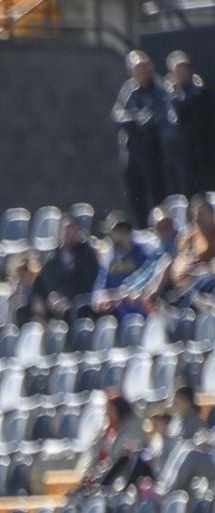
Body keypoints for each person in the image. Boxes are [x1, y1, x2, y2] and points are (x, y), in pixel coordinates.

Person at [115, 52, 168, 225]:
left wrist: (135, 119)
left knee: (157, 195)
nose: (141, 73)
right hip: (132, 152)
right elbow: (118, 116)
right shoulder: (129, 90)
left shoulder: (160, 89)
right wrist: (136, 118)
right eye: (136, 69)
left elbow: (154, 118)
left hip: (154, 152)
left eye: (143, 68)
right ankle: (140, 227)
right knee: (135, 196)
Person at [27, 216, 102, 321]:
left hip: (76, 303)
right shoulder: (52, 257)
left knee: (66, 310)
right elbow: (40, 282)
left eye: (72, 230)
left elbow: (86, 283)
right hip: (52, 303)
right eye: (65, 230)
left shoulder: (87, 256)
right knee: (23, 309)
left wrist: (61, 297)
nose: (68, 234)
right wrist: (38, 297)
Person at [163, 52, 213, 199]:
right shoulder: (166, 95)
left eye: (184, 69)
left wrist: (174, 93)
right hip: (177, 154)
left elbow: (182, 109)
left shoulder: (199, 93)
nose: (181, 74)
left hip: (199, 152)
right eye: (177, 71)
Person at [91, 214, 158, 319]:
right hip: (116, 313)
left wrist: (133, 293)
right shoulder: (110, 258)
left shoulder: (142, 254)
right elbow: (100, 288)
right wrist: (102, 298)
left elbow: (151, 280)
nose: (110, 237)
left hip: (141, 310)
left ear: (125, 232)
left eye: (114, 233)